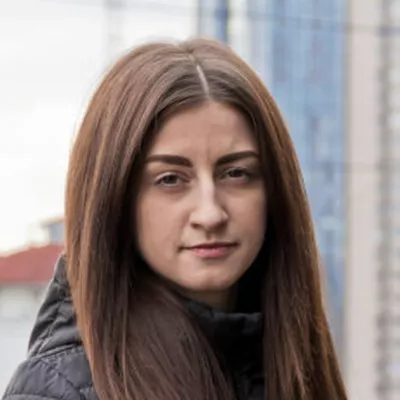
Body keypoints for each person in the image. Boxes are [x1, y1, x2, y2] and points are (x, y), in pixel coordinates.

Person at [1, 38, 347, 400]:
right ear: (116, 199)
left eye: (236, 173)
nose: (211, 213)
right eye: (170, 179)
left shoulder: (292, 365)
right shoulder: (58, 390)